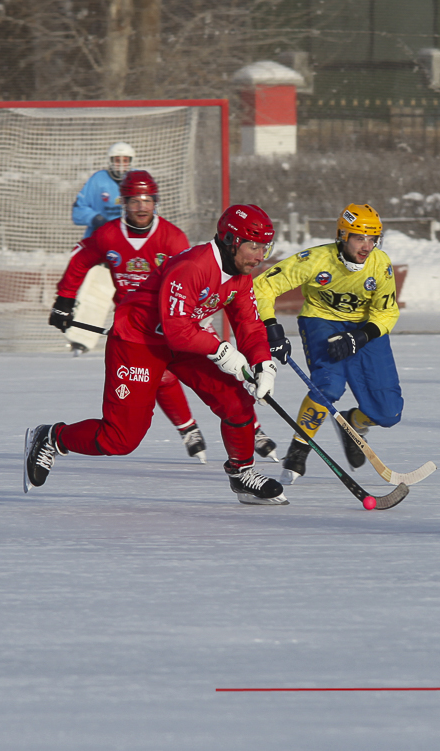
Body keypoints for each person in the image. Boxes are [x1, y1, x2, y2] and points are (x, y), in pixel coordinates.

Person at [25, 204, 286, 505]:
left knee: (236, 401)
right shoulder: (194, 266)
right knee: (120, 439)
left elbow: (249, 325)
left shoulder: (240, 277)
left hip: (185, 341)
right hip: (139, 343)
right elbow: (176, 328)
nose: (259, 256)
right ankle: (51, 437)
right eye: (253, 246)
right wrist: (221, 350)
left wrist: (262, 363)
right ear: (230, 240)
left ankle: (242, 474)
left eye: (264, 248)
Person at [252, 204, 403, 485]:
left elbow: (387, 312)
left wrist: (362, 336)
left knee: (388, 412)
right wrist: (271, 327)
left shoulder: (380, 264)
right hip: (322, 321)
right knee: (329, 385)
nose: (366, 246)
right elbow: (263, 286)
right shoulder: (315, 259)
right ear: (342, 236)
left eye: (373, 239)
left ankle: (353, 424)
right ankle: (300, 447)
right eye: (360, 238)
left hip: (363, 328)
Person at [64, 141, 137, 355]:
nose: (121, 164)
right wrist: (94, 217)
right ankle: (80, 340)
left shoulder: (137, 182)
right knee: (95, 294)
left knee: (133, 296)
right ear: (110, 161)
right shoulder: (98, 180)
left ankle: (136, 339)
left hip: (129, 250)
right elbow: (78, 211)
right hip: (100, 248)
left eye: (125, 161)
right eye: (117, 160)